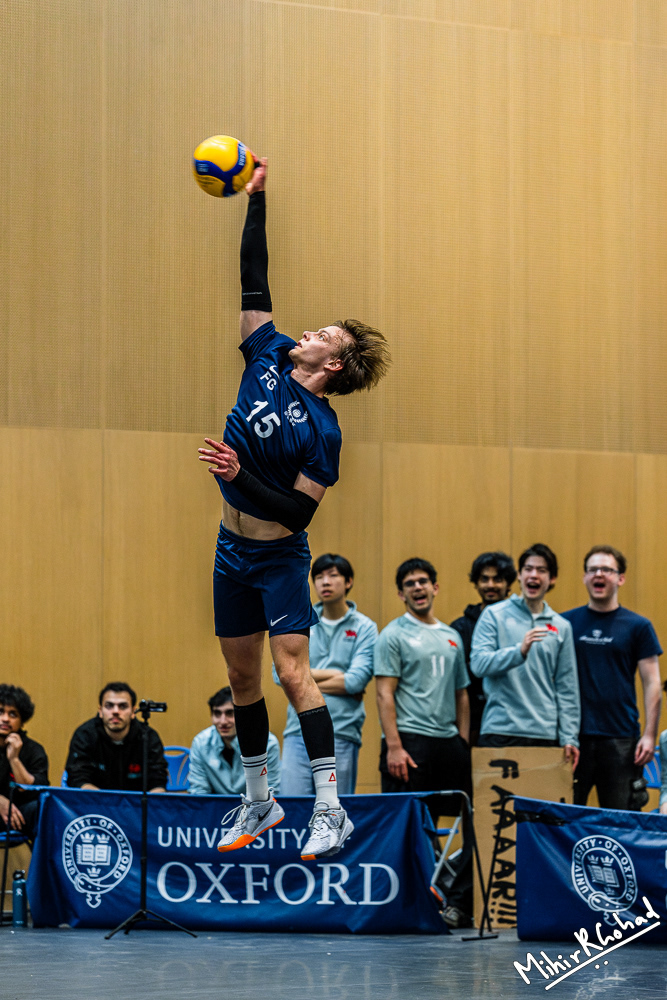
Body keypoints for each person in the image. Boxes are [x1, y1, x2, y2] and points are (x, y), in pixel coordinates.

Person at [197, 158, 390, 861]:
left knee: (290, 673)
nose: (307, 331)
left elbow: (299, 515)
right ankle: (260, 800)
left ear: (333, 364)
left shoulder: (323, 432)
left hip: (278, 554)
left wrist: (238, 473)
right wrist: (257, 201)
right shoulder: (268, 354)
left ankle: (331, 811)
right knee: (240, 678)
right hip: (230, 549)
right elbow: (254, 276)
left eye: (323, 335)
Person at [374, 558, 472, 928]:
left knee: (476, 818)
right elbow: (384, 694)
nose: (418, 587)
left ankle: (458, 902)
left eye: (423, 581)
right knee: (408, 825)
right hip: (409, 743)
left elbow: (462, 694)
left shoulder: (452, 636)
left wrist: (462, 741)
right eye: (410, 583)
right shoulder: (392, 635)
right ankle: (412, 904)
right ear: (401, 593)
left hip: (448, 743)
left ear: (435, 587)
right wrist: (394, 746)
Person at [562, 545, 662, 810]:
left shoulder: (638, 626)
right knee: (564, 819)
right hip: (573, 739)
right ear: (584, 577)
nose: (599, 574)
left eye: (607, 570)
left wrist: (649, 734)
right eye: (593, 569)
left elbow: (652, 682)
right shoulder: (565, 624)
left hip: (621, 739)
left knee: (622, 819)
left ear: (621, 578)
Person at [470, 543, 580, 768]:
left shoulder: (561, 626)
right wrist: (518, 651)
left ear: (552, 579)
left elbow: (567, 687)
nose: (534, 575)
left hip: (544, 733)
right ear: (519, 576)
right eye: (528, 569)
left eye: (541, 570)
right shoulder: (493, 615)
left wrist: (569, 737)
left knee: (541, 794)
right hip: (500, 730)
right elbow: (478, 664)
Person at [276, 553, 378, 795]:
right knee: (294, 808)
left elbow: (355, 681)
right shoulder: (300, 620)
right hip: (298, 729)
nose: (325, 582)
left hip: (341, 730)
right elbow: (279, 674)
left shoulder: (365, 627)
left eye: (333, 575)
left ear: (348, 581)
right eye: (319, 577)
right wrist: (337, 674)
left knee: (334, 809)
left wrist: (302, 679)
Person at [450, 551, 517, 745]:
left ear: (509, 584)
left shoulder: (519, 624)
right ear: (476, 583)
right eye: (484, 579)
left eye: (498, 579)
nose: (490, 585)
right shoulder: (460, 628)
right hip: (470, 720)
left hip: (511, 721)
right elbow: (455, 678)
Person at [65, 683, 168, 792]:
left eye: (123, 706)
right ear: (100, 711)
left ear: (133, 712)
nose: (115, 711)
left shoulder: (148, 737)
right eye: (109, 706)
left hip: (138, 802)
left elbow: (158, 782)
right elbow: (77, 778)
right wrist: (104, 800)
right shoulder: (84, 735)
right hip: (94, 800)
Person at [189, 686, 281, 795]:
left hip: (255, 804)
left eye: (230, 713)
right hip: (214, 805)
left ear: (243, 716)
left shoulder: (268, 743)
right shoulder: (200, 743)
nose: (223, 721)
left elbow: (271, 791)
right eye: (217, 713)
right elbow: (199, 792)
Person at [0, 685, 48, 841]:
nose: (5, 719)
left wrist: (14, 759)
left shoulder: (34, 750)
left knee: (42, 809)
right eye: (0, 712)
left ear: (22, 722)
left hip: (20, 815)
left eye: (13, 714)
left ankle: (41, 858)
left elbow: (36, 790)